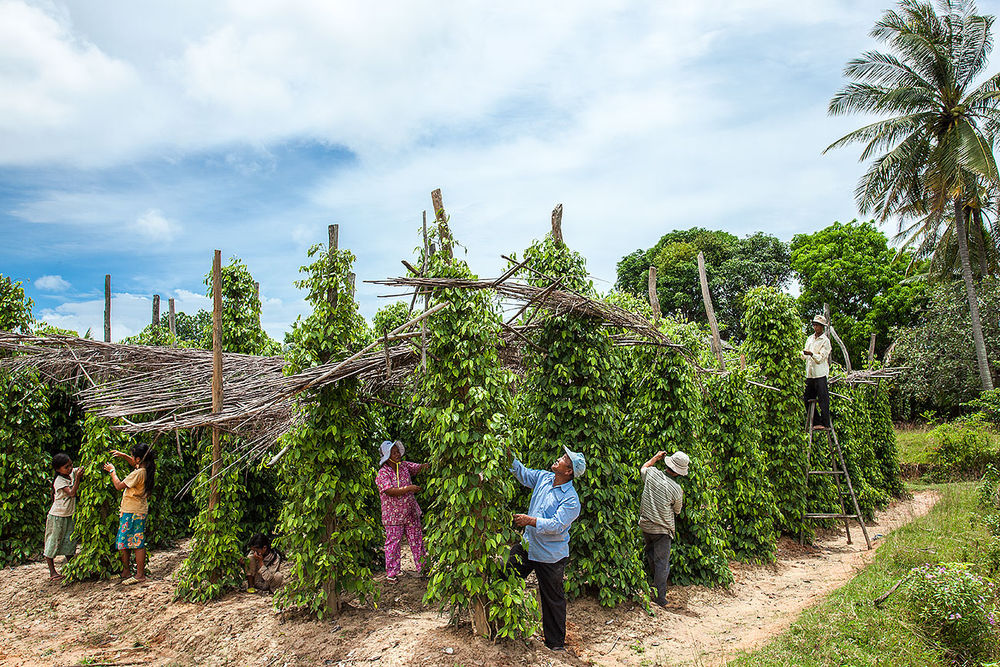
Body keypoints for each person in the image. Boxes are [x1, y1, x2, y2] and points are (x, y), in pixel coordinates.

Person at [507, 446, 584, 652]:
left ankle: (555, 644)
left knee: (552, 600)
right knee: (505, 577)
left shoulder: (571, 500)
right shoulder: (543, 478)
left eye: (563, 459)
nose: (558, 459)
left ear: (568, 471)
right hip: (528, 546)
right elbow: (523, 474)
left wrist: (529, 520)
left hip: (550, 556)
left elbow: (557, 525)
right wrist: (508, 455)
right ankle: (500, 622)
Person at [638, 450, 688, 607]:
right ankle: (660, 598)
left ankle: (654, 585)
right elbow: (677, 510)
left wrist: (656, 458)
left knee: (651, 553)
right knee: (662, 563)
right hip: (663, 529)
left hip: (646, 525)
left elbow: (643, 467)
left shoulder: (651, 473)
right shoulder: (676, 489)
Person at [375, 440, 429, 583]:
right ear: (387, 456)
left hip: (410, 513)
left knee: (417, 540)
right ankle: (392, 573)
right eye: (393, 452)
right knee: (393, 543)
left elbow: (419, 468)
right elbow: (389, 491)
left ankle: (423, 568)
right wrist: (408, 488)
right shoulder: (383, 473)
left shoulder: (404, 466)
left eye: (397, 451)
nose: (397, 454)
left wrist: (435, 463)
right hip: (393, 516)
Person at [103, 442, 155, 585]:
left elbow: (119, 486)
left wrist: (112, 471)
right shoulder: (146, 469)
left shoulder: (138, 474)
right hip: (136, 510)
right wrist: (123, 455)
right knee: (130, 541)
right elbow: (135, 464)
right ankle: (127, 572)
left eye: (133, 456)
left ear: (139, 459)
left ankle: (139, 574)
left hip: (132, 511)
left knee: (134, 542)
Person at [44, 453, 83, 581]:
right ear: (58, 470)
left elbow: (81, 469)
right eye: (67, 467)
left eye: (71, 465)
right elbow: (72, 493)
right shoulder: (59, 481)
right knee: (53, 541)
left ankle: (71, 567)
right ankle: (52, 571)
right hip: (57, 516)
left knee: (69, 541)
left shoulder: (70, 474)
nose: (70, 468)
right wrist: (77, 479)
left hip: (69, 515)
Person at [802, 314, 833, 430]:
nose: (815, 327)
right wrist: (801, 354)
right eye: (814, 325)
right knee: (807, 398)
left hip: (820, 374)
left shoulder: (825, 341)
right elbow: (805, 355)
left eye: (817, 325)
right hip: (810, 374)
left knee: (823, 400)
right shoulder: (810, 338)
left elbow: (821, 358)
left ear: (822, 327)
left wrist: (811, 354)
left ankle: (825, 423)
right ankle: (816, 421)